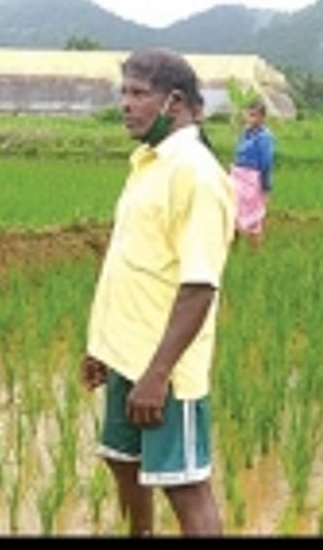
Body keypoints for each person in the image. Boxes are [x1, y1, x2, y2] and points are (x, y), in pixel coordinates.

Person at [81, 47, 235, 536]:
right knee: (123, 464)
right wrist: (101, 344)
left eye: (137, 94)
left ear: (174, 102)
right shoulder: (149, 162)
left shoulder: (197, 173)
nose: (125, 104)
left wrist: (158, 373)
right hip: (126, 352)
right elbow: (133, 262)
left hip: (165, 367)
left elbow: (199, 285)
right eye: (123, 92)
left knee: (186, 487)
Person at [229, 100, 275, 250]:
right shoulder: (246, 133)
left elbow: (266, 163)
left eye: (254, 115)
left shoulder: (265, 137)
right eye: (249, 115)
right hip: (237, 178)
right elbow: (239, 155)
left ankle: (255, 253)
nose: (251, 119)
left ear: (262, 117)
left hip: (251, 180)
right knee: (233, 215)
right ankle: (233, 251)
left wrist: (266, 186)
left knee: (254, 218)